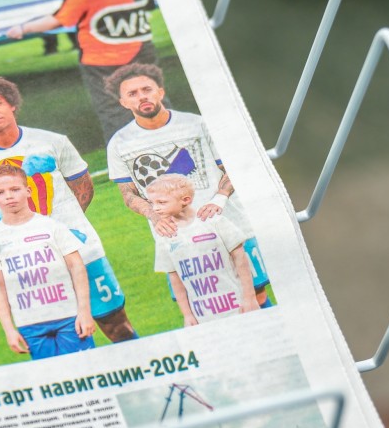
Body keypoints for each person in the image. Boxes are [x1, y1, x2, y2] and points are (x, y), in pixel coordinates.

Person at [0, 74, 138, 343]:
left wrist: (62, 229)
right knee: (61, 335)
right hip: (31, 261)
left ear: (12, 104)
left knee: (116, 325)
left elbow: (83, 186)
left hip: (81, 248)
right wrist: (23, 233)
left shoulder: (52, 141)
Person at [104, 63, 272, 308]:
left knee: (256, 296)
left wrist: (219, 199)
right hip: (178, 238)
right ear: (123, 102)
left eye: (147, 89)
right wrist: (154, 216)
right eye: (133, 93)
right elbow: (128, 194)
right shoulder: (119, 143)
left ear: (160, 92)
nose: (142, 97)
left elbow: (232, 168)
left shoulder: (197, 124)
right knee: (207, 304)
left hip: (229, 226)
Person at [5, 0, 157, 139]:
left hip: (101, 61)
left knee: (111, 108)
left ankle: (125, 148)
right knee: (153, 99)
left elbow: (57, 20)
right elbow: (149, 2)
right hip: (141, 52)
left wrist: (23, 28)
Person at [0, 164, 95, 359]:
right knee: (50, 375)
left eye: (15, 189)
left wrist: (85, 311)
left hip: (69, 317)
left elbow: (77, 268)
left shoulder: (52, 227)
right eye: (0, 192)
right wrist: (9, 329)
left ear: (28, 191)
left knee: (85, 370)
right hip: (30, 324)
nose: (9, 196)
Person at [145, 175, 259, 325]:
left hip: (239, 308)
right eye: (152, 203)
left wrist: (250, 297)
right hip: (204, 318)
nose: (155, 208)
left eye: (161, 202)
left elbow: (240, 259)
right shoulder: (164, 235)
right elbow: (175, 279)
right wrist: (187, 315)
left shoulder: (214, 220)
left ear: (185, 200)